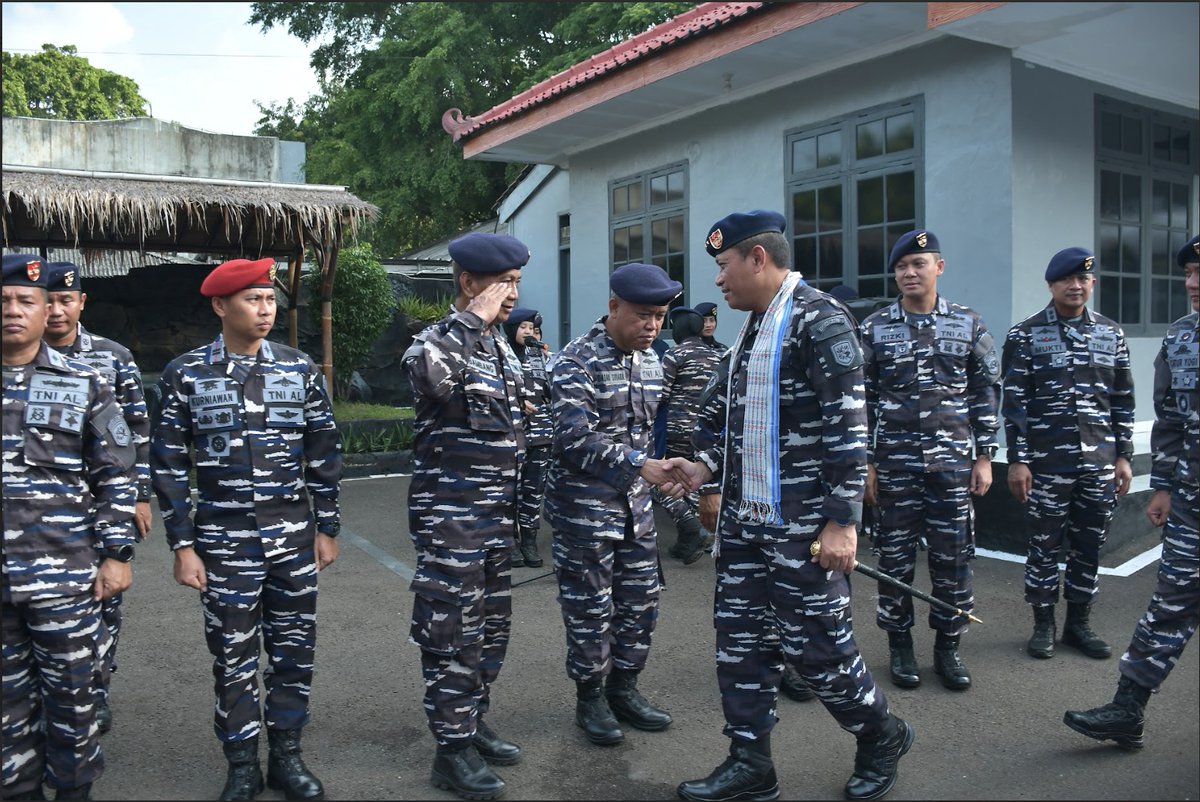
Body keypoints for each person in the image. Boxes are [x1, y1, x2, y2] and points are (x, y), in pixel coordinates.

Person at [676, 211, 912, 802]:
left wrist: (841, 521)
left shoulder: (819, 322)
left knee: (819, 647)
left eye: (724, 266)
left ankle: (881, 733)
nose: (719, 281)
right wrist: (703, 466)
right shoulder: (755, 328)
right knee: (741, 645)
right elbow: (730, 419)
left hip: (804, 524)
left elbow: (849, 431)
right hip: (747, 520)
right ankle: (750, 761)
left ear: (758, 259)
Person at [151, 257, 341, 802]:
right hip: (223, 543)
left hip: (293, 538)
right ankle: (241, 764)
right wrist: (182, 546)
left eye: (269, 299)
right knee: (232, 655)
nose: (265, 310)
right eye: (252, 300)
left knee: (293, 650)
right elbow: (166, 464)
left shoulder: (298, 369)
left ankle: (287, 757)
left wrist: (327, 527)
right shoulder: (186, 374)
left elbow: (324, 453)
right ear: (220, 305)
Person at [2, 253, 138, 801]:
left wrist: (117, 555)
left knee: (75, 701)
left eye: (25, 302)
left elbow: (117, 474)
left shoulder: (85, 383)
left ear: (46, 312)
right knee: (7, 708)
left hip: (64, 575)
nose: (13, 310)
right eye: (4, 300)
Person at [402, 232, 530, 801]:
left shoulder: (502, 347)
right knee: (451, 632)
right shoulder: (436, 341)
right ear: (468, 283)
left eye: (517, 284)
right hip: (451, 521)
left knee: (491, 629)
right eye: (502, 284)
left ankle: (474, 723)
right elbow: (429, 378)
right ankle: (450, 751)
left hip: (495, 521)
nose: (511, 295)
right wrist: (471, 321)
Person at [1063, 234, 1199, 749]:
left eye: (1199, 276)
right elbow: (1168, 422)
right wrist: (1161, 487)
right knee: (1169, 606)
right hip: (1191, 504)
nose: (1190, 284)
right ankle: (1127, 709)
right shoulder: (1182, 337)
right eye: (1187, 273)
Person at [545, 262, 687, 748]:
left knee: (640, 602)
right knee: (589, 608)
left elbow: (649, 431)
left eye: (661, 317)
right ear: (613, 307)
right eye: (643, 315)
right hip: (585, 514)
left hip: (636, 511)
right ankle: (591, 697)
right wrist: (638, 464)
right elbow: (571, 438)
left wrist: (665, 471)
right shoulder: (574, 362)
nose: (652, 326)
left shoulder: (651, 361)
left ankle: (625, 688)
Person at [859, 230, 1000, 691]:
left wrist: (985, 456)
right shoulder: (875, 327)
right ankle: (900, 646)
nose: (909, 273)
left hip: (954, 466)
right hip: (895, 466)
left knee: (954, 558)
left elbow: (985, 392)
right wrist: (867, 463)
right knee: (894, 559)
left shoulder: (968, 324)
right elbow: (860, 400)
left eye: (919, 264)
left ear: (939, 267)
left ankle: (948, 647)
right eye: (902, 266)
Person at [1002, 246, 1135, 661]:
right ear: (1051, 285)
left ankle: (1079, 624)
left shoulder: (1111, 334)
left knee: (1089, 545)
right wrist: (1018, 460)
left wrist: (1124, 455)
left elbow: (1122, 399)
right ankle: (1044, 623)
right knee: (1043, 545)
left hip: (1098, 463)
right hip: (1046, 466)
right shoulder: (1025, 335)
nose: (1075, 286)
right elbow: (1015, 402)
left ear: (1092, 284)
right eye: (1066, 280)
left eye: (1083, 279)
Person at [41, 260, 152, 735]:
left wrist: (140, 498)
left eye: (66, 300)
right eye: (47, 300)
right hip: (40, 509)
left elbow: (138, 431)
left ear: (82, 302)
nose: (56, 310)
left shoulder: (112, 356)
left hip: (103, 502)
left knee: (104, 600)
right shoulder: (16, 357)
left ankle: (98, 690)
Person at [655, 306, 722, 563]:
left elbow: (661, 394)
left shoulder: (675, 353)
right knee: (696, 481)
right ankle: (694, 536)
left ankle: (692, 529)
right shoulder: (718, 354)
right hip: (708, 432)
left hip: (678, 430)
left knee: (664, 481)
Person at [503, 306, 550, 568]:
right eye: (523, 328)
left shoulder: (540, 355)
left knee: (533, 492)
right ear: (511, 329)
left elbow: (551, 389)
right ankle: (510, 541)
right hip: (511, 433)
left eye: (531, 328)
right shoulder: (500, 353)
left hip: (541, 433)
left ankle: (529, 541)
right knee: (510, 490)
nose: (528, 332)